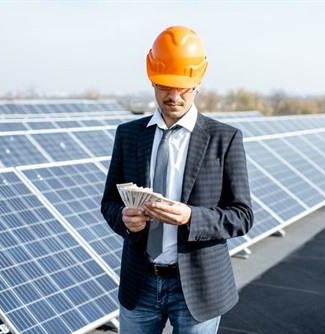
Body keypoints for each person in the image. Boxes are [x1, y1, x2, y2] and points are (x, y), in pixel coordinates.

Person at [101, 25, 253, 334]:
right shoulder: (129, 135)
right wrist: (124, 219)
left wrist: (191, 217)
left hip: (198, 289)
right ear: (152, 80)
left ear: (198, 83)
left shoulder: (224, 139)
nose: (173, 96)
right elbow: (109, 203)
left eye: (182, 87)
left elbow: (242, 216)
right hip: (139, 284)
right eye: (164, 86)